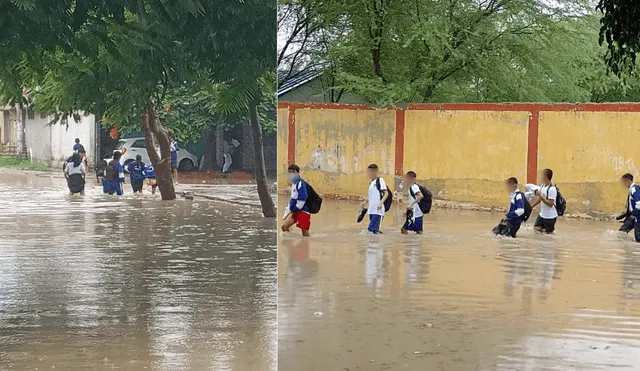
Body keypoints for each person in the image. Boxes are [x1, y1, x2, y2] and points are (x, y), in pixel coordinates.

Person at [282, 164, 311, 237]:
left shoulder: (300, 183)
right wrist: (289, 209)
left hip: (303, 211)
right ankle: (290, 246)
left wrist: (296, 208)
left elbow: (303, 197)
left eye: (293, 171)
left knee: (305, 232)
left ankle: (306, 245)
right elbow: (293, 198)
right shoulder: (294, 183)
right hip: (295, 211)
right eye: (290, 172)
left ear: (298, 173)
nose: (291, 173)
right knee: (284, 227)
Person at [363, 164, 388, 234]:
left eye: (370, 172)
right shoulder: (371, 182)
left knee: (371, 230)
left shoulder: (380, 180)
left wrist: (381, 202)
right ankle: (377, 243)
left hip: (378, 211)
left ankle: (377, 244)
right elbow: (372, 195)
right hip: (371, 210)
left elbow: (386, 193)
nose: (368, 174)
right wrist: (366, 201)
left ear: (375, 171)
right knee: (374, 231)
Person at [531, 168, 557, 234]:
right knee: (536, 229)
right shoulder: (542, 186)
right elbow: (541, 198)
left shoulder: (552, 189)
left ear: (546, 176)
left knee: (549, 235)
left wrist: (540, 196)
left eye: (542, 175)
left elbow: (550, 204)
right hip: (542, 215)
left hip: (550, 217)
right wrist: (532, 206)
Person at [619, 173, 640, 241]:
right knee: (621, 232)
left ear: (628, 180)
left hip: (637, 217)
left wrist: (634, 214)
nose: (623, 184)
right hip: (632, 216)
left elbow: (639, 204)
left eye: (624, 182)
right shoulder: (632, 189)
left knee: (638, 238)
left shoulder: (634, 189)